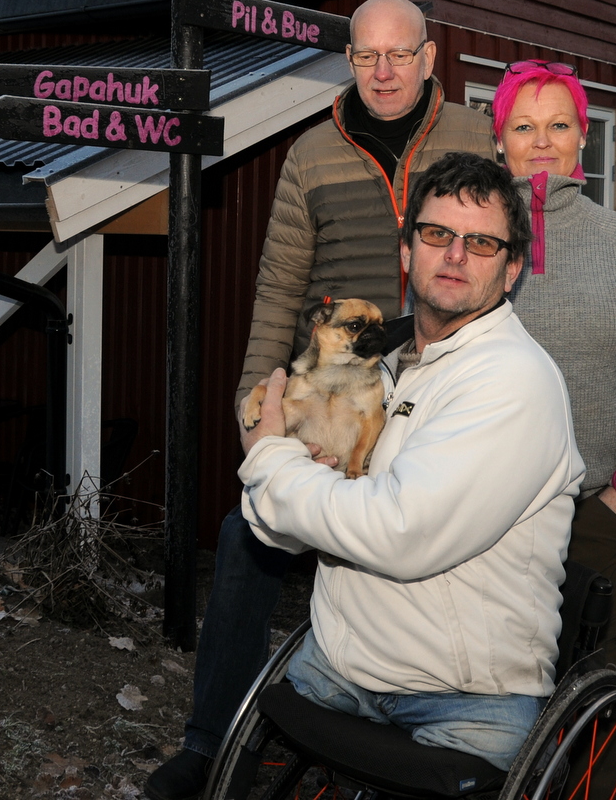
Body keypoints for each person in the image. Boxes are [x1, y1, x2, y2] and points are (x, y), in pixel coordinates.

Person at [147, 0, 494, 800]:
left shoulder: (477, 138)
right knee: (247, 537)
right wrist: (254, 405)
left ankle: (395, 743)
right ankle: (207, 743)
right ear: (347, 60)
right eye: (368, 55)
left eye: (400, 54)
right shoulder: (311, 152)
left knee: (416, 553)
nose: (383, 70)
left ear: (429, 58)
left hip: (440, 385)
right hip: (333, 398)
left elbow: (508, 256)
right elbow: (279, 286)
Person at [238, 152, 586, 768]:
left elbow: (401, 532)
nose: (455, 254)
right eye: (436, 234)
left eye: (481, 243)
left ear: (511, 273)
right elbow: (288, 524)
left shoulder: (512, 380)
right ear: (406, 252)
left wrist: (269, 462)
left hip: (461, 704)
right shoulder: (385, 364)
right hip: (341, 665)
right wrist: (290, 479)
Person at [492, 59, 616, 679]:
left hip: (593, 514)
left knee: (591, 689)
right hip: (486, 516)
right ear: (499, 141)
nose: (541, 141)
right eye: (523, 126)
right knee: (491, 686)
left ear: (582, 138)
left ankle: (593, 781)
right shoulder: (473, 240)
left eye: (558, 125)